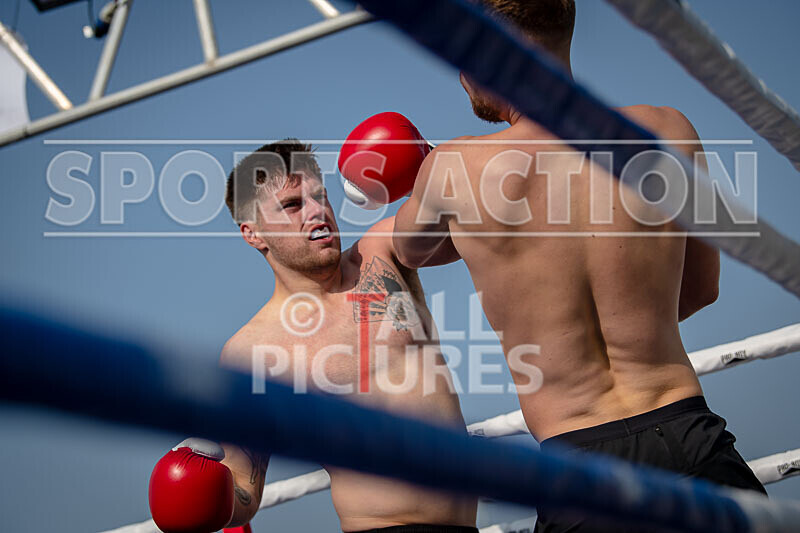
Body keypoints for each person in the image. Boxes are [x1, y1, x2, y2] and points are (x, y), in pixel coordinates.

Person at [374, 1, 766, 530]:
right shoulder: (669, 131)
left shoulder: (452, 169)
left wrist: (422, 174)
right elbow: (701, 290)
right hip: (690, 436)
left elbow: (406, 248)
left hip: (577, 464)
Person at [149, 140, 477, 533]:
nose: (318, 211)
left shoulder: (382, 254)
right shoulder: (252, 351)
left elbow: (480, 223)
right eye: (293, 205)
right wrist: (206, 493)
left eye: (320, 197)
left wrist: (429, 166)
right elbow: (244, 487)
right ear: (253, 234)